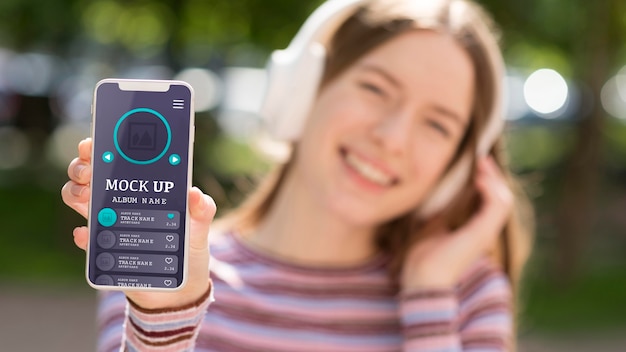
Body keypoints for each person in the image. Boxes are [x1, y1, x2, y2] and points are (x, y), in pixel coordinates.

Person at [62, 0, 534, 350]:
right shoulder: (172, 265)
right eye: (375, 88)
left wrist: (429, 296)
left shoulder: (464, 292)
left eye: (437, 124)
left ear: (457, 164)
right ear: (300, 91)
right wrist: (164, 316)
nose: (394, 138)